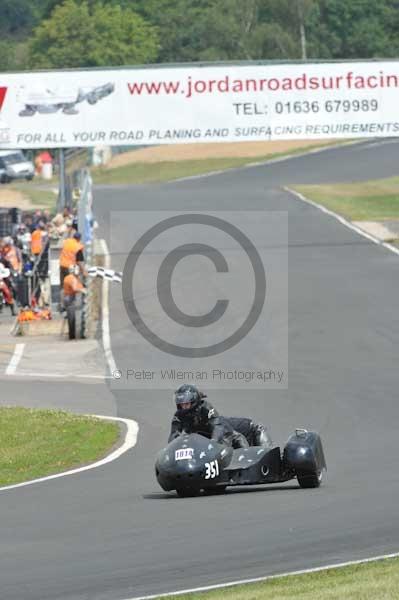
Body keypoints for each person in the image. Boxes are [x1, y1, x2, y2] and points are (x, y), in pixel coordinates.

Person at [168, 385, 271, 449]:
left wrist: (247, 457)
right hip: (221, 435)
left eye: (187, 404)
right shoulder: (179, 416)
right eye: (182, 404)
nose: (184, 407)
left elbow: (231, 434)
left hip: (248, 430)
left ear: (194, 402)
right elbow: (173, 438)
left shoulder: (206, 409)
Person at [63, 264, 87, 339]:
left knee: (72, 317)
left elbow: (78, 286)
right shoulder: (71, 278)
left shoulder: (71, 278)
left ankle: (72, 334)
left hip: (69, 297)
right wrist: (83, 290)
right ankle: (72, 335)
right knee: (72, 318)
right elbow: (75, 287)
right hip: (69, 298)